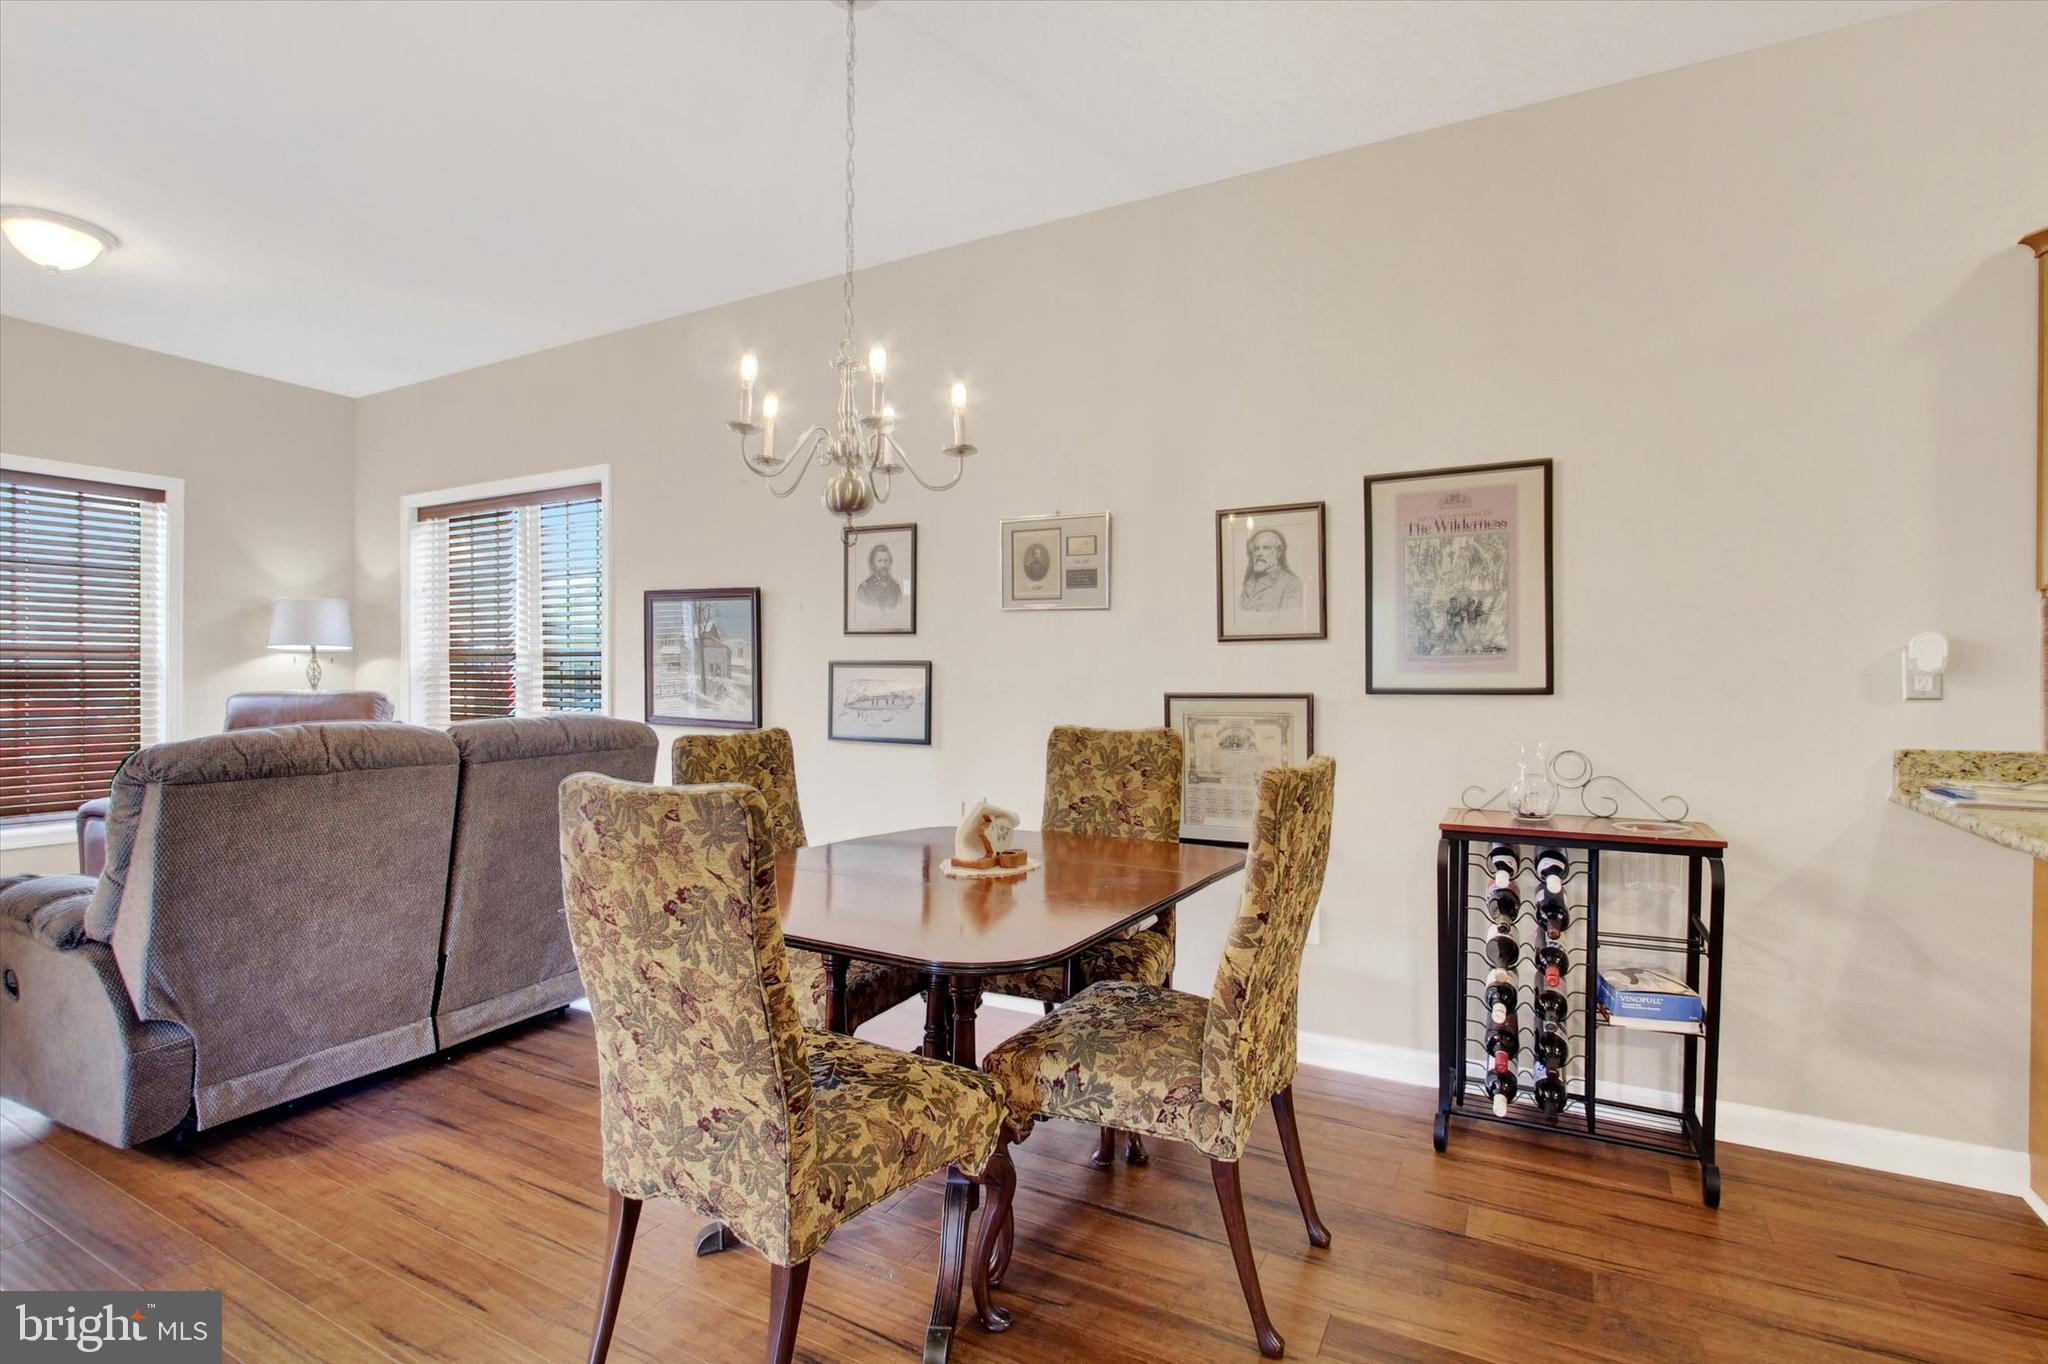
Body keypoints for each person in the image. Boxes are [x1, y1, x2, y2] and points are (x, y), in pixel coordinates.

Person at [1239, 527, 1303, 614]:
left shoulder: (1291, 583)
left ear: (1278, 553)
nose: (1259, 553)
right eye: (1256, 548)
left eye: (1266, 548)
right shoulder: (1249, 583)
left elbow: (1289, 618)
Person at [857, 541, 904, 611]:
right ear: (872, 564)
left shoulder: (895, 587)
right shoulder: (864, 588)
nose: (883, 565)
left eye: (886, 561)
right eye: (879, 561)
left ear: (890, 563)